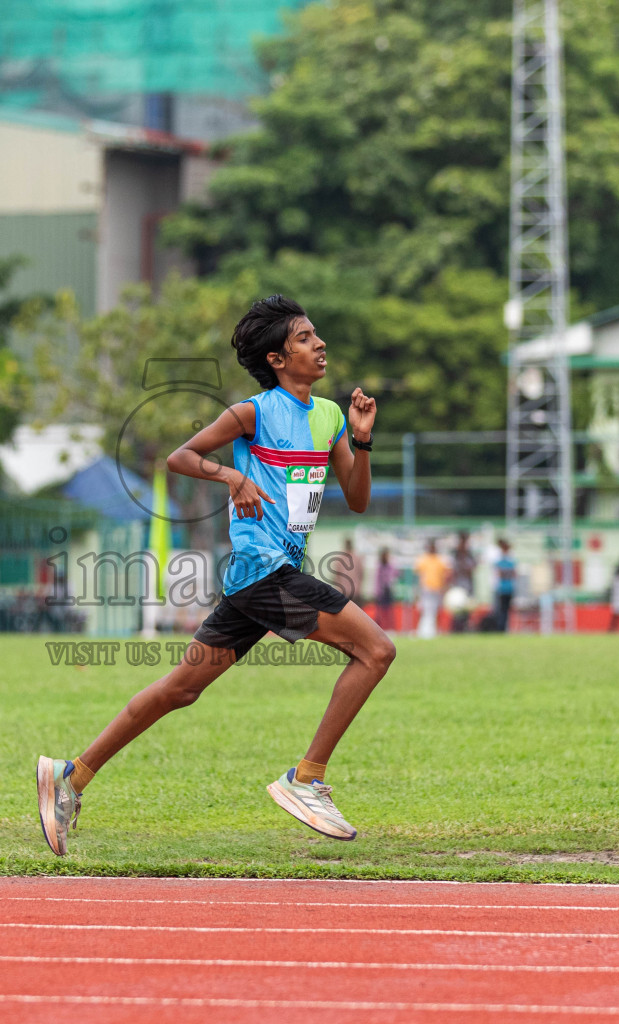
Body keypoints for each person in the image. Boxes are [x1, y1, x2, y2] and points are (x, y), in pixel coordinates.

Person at [36, 294, 393, 856]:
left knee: (181, 689)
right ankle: (306, 777)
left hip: (262, 581)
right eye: (304, 338)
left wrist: (363, 437)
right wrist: (232, 475)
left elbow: (359, 497)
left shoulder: (327, 416)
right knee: (376, 651)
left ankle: (71, 776)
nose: (319, 344)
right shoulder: (253, 412)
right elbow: (180, 457)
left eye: (315, 335)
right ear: (277, 359)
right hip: (263, 573)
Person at [414, 540, 450, 639]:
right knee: (426, 610)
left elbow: (445, 574)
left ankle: (429, 631)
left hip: (437, 589)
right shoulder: (423, 559)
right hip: (426, 589)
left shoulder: (439, 560)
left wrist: (444, 587)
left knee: (433, 611)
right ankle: (425, 632)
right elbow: (419, 574)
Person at [492, 538, 516, 632]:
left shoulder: (506, 561)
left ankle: (502, 628)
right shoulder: (504, 561)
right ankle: (500, 628)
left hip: (505, 588)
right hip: (503, 588)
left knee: (503, 610)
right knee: (501, 611)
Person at [374, 547, 398, 632]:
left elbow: (395, 574)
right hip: (381, 591)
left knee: (389, 611)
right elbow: (377, 580)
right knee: (380, 612)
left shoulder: (390, 566)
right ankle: (379, 628)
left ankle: (390, 628)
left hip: (388, 590)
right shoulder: (379, 566)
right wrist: (377, 592)